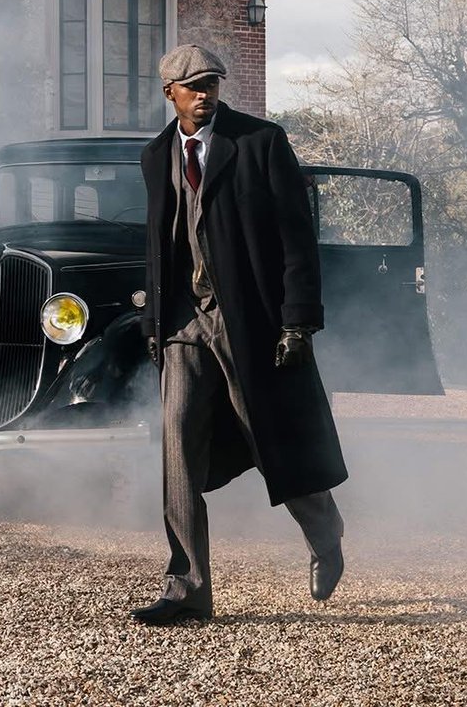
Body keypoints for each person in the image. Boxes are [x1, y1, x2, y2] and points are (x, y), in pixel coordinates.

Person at [132, 43, 348, 625]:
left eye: (213, 85)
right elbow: (158, 246)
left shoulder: (260, 143)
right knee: (177, 441)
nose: (205, 95)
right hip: (183, 319)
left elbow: (298, 241)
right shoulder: (156, 156)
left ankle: (324, 530)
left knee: (268, 434)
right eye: (194, 86)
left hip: (246, 317)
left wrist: (297, 319)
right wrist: (155, 322)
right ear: (169, 93)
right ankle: (187, 589)